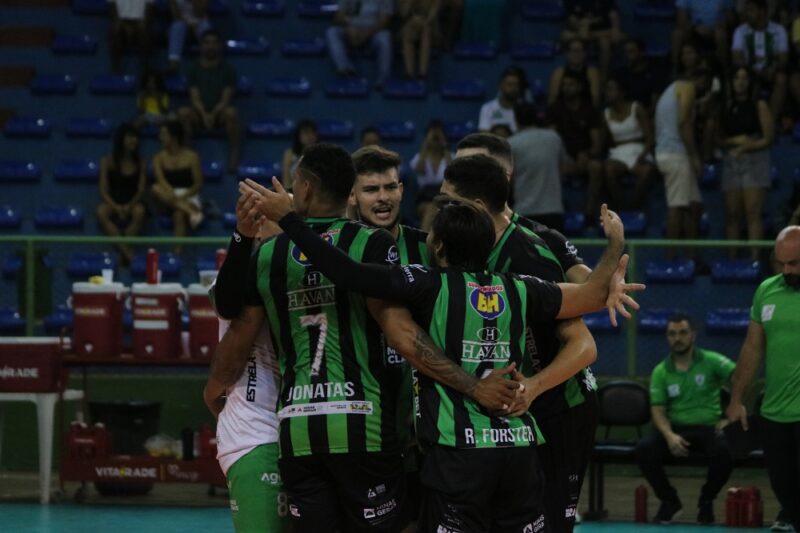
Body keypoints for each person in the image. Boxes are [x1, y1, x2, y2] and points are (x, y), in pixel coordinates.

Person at [251, 171, 640, 530]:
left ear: (436, 245)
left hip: (459, 453)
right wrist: (615, 244)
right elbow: (593, 295)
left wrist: (291, 222)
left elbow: (348, 273)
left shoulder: (427, 284)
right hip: (519, 447)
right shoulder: (522, 287)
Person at [216, 143, 518, 532]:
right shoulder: (373, 243)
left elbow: (230, 311)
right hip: (366, 426)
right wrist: (473, 386)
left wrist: (243, 236)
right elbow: (402, 334)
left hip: (298, 431)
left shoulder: (270, 254)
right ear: (351, 193)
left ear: (304, 188)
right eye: (372, 188)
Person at [452, 134, 642, 531]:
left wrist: (533, 387)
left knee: (548, 520)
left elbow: (584, 340)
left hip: (557, 405)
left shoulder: (531, 249)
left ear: (499, 179)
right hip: (511, 405)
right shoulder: (462, 240)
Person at [204, 194, 289, 533]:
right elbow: (226, 307)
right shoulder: (237, 278)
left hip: (303, 430)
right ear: (258, 226)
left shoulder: (305, 273)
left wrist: (212, 391)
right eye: (278, 218)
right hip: (257, 433)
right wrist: (213, 388)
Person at [726, 226, 800, 533]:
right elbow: (752, 349)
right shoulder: (766, 290)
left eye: (794, 263)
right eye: (781, 263)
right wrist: (736, 399)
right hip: (774, 413)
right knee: (785, 491)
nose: (787, 271)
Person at [636, 313, 736, 525]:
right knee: (645, 448)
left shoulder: (712, 360)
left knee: (726, 450)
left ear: (693, 335)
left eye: (683, 333)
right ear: (667, 337)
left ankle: (706, 500)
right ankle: (669, 501)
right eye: (672, 334)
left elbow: (740, 377)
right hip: (676, 430)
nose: (677, 338)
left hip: (709, 428)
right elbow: (658, 410)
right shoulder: (661, 371)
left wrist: (732, 414)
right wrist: (669, 436)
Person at [718, 66, 774, 260]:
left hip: (755, 160)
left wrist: (746, 146)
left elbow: (768, 138)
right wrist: (734, 142)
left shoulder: (759, 105)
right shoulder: (726, 106)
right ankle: (731, 260)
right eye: (736, 78)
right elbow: (719, 138)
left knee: (752, 213)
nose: (740, 82)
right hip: (732, 159)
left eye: (744, 78)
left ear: (750, 83)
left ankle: (754, 260)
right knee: (732, 213)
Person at [654, 67, 712, 253]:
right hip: (675, 153)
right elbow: (684, 123)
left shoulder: (672, 90)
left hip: (670, 152)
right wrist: (695, 156)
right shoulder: (687, 88)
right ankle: (670, 259)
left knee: (694, 205)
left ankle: (692, 256)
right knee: (677, 206)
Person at [546, 70, 605, 223]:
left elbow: (597, 144)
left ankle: (589, 213)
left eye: (571, 84)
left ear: (580, 87)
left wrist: (587, 154)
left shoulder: (590, 110)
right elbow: (551, 141)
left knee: (596, 167)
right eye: (564, 85)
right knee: (550, 168)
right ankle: (557, 211)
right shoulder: (555, 109)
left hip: (585, 158)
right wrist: (564, 158)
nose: (566, 88)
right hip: (562, 159)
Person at [178, 30, 241, 172]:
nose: (210, 46)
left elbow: (225, 99)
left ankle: (234, 155)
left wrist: (213, 114)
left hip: (219, 114)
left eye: (214, 43)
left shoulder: (228, 69)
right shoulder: (194, 69)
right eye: (207, 43)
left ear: (219, 45)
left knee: (231, 113)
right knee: (183, 113)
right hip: (199, 114)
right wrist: (204, 115)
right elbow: (194, 98)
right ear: (201, 45)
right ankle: (187, 156)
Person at [508, 102, 568, 232]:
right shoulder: (554, 137)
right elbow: (564, 169)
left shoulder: (512, 143)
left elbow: (509, 180)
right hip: (553, 210)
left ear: (516, 120)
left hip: (524, 212)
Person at [602, 77, 656, 211]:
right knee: (608, 169)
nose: (607, 93)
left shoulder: (636, 107)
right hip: (619, 153)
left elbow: (650, 137)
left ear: (621, 92)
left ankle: (634, 207)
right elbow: (605, 142)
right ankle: (620, 208)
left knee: (647, 171)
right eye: (606, 90)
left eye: (611, 89)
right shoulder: (605, 114)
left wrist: (643, 155)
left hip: (639, 149)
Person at [732, 0, 789, 124]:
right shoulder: (740, 30)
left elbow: (784, 59)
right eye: (746, 10)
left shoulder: (778, 30)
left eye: (751, 10)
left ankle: (770, 124)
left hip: (771, 72)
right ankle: (750, 123)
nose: (747, 14)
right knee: (745, 78)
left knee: (782, 79)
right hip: (750, 71)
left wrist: (772, 68)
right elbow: (736, 57)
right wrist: (753, 70)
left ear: (763, 12)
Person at [97, 123, 147, 265]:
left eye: (135, 138)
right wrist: (116, 207)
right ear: (121, 140)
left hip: (133, 201)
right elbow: (103, 190)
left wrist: (129, 205)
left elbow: (141, 190)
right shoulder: (107, 161)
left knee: (140, 212)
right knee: (101, 212)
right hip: (113, 200)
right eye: (130, 137)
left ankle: (122, 254)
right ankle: (127, 252)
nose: (133, 141)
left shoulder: (141, 163)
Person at [150, 120, 204, 245]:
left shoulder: (192, 157)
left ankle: (177, 253)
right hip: (167, 195)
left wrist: (182, 196)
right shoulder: (158, 158)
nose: (160, 137)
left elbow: (198, 184)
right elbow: (161, 181)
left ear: (174, 136)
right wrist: (172, 194)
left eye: (164, 134)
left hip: (188, 195)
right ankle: (192, 213)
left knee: (178, 214)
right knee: (155, 188)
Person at [325, 0, 394, 88]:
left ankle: (384, 79)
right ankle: (345, 68)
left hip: (374, 33)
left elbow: (384, 21)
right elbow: (339, 16)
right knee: (332, 32)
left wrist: (365, 34)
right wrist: (349, 28)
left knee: (385, 37)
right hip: (351, 31)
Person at [561, 0, 624, 81]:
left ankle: (603, 78)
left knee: (605, 43)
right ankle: (575, 75)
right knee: (567, 36)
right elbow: (573, 22)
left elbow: (613, 15)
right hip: (582, 31)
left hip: (600, 32)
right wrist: (583, 27)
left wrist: (615, 29)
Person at [672, 0, 735, 72]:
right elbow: (681, 21)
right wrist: (695, 27)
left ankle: (724, 70)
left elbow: (731, 20)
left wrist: (722, 24)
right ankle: (675, 69)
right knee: (677, 34)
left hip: (716, 31)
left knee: (720, 34)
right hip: (694, 32)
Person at [410, 120, 451, 231]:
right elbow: (420, 169)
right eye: (433, 137)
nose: (436, 140)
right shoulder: (419, 157)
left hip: (445, 197)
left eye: (438, 137)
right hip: (425, 198)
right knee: (431, 208)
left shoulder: (450, 157)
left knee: (440, 209)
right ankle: (424, 239)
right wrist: (425, 146)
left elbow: (452, 172)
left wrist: (444, 145)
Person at [613, 37, 666, 114]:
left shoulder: (654, 74)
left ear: (642, 53)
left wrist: (641, 116)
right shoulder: (621, 74)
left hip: (647, 116)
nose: (627, 56)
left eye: (631, 52)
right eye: (626, 52)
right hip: (625, 116)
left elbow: (655, 105)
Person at [548, 39, 602, 108]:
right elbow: (552, 100)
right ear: (567, 54)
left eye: (580, 51)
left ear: (585, 54)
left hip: (586, 111)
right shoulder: (558, 73)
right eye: (573, 51)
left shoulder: (592, 73)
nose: (576, 54)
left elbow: (595, 100)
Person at [108, 0, 153, 73]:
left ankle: (144, 67)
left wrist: (143, 23)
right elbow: (112, 6)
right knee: (115, 29)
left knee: (144, 30)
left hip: (140, 21)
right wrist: (123, 24)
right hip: (122, 21)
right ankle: (116, 68)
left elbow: (150, 6)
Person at [167, 0, 211, 72]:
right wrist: (188, 23)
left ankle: (209, 60)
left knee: (205, 27)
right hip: (182, 21)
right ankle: (173, 62)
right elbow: (175, 16)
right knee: (177, 26)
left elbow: (200, 13)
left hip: (199, 21)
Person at [399, 0, 439, 79]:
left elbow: (432, 17)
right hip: (408, 28)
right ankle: (409, 72)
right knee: (408, 32)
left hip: (430, 30)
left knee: (426, 31)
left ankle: (422, 72)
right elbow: (403, 14)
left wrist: (420, 22)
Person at [478, 67, 523, 133]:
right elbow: (484, 133)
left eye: (516, 85)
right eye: (510, 85)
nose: (514, 88)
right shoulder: (488, 108)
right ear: (501, 86)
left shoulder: (524, 110)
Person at [281, 119, 318, 191]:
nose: (310, 136)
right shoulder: (289, 154)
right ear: (298, 135)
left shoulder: (320, 154)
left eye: (312, 132)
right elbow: (286, 182)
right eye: (306, 133)